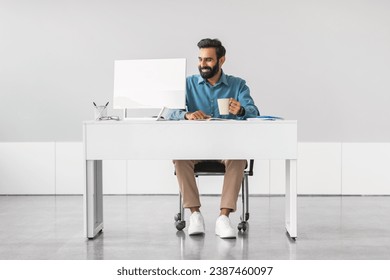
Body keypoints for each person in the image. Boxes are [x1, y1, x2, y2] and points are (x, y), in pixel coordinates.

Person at [165, 38, 259, 239]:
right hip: (195, 148)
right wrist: (186, 115)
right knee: (180, 157)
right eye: (200, 59)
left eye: (208, 60)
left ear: (221, 60)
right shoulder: (188, 84)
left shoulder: (238, 85)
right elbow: (168, 111)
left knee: (238, 158)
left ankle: (223, 218)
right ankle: (195, 215)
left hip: (227, 148)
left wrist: (241, 110)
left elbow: (254, 112)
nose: (202, 64)